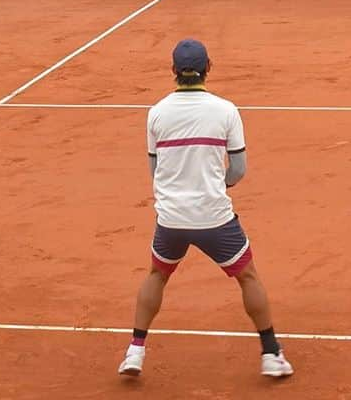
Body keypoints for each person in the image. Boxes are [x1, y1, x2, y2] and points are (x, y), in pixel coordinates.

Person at [118, 39, 292, 380]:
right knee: (247, 276)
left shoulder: (156, 113)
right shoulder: (226, 110)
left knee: (157, 274)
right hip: (214, 218)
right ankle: (271, 353)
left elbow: (157, 171)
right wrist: (216, 186)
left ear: (173, 71)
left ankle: (135, 352)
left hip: (170, 219)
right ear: (208, 67)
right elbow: (238, 169)